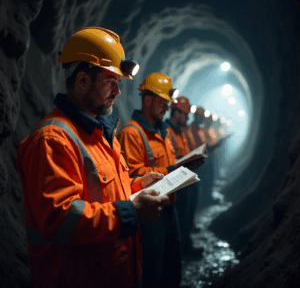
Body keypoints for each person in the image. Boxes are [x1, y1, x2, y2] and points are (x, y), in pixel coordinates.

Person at [16, 27, 170, 288]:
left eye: (119, 84)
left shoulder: (100, 134)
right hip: (77, 277)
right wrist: (131, 211)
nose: (118, 92)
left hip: (112, 272)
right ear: (83, 81)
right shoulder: (53, 139)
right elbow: (60, 219)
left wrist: (137, 187)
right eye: (111, 82)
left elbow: (100, 193)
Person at [117, 73, 204, 288]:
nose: (167, 107)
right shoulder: (132, 133)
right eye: (162, 102)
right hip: (150, 213)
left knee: (172, 263)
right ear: (147, 100)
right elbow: (133, 176)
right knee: (152, 268)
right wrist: (172, 169)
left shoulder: (162, 132)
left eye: (168, 103)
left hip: (169, 206)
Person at [166, 97, 205, 258]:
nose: (188, 117)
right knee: (179, 218)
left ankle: (185, 246)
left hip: (186, 178)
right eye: (186, 114)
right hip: (175, 182)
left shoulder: (181, 131)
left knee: (187, 214)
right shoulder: (167, 132)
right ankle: (181, 251)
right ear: (177, 113)